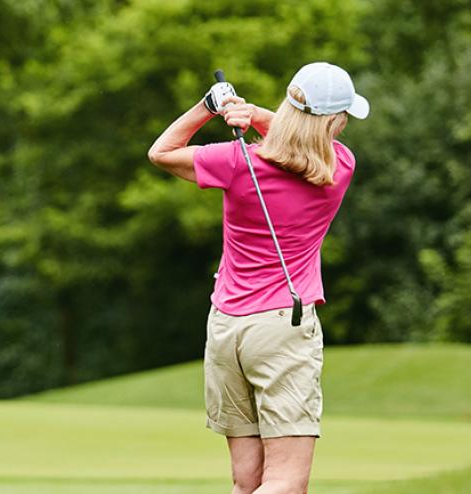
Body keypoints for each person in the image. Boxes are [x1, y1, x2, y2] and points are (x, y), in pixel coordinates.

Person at [145, 62, 368, 494]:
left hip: (226, 328)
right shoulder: (339, 166)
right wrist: (254, 113)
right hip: (282, 328)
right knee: (286, 483)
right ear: (335, 123)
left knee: (247, 483)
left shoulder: (235, 161)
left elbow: (161, 152)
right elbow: (299, 137)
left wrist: (210, 107)